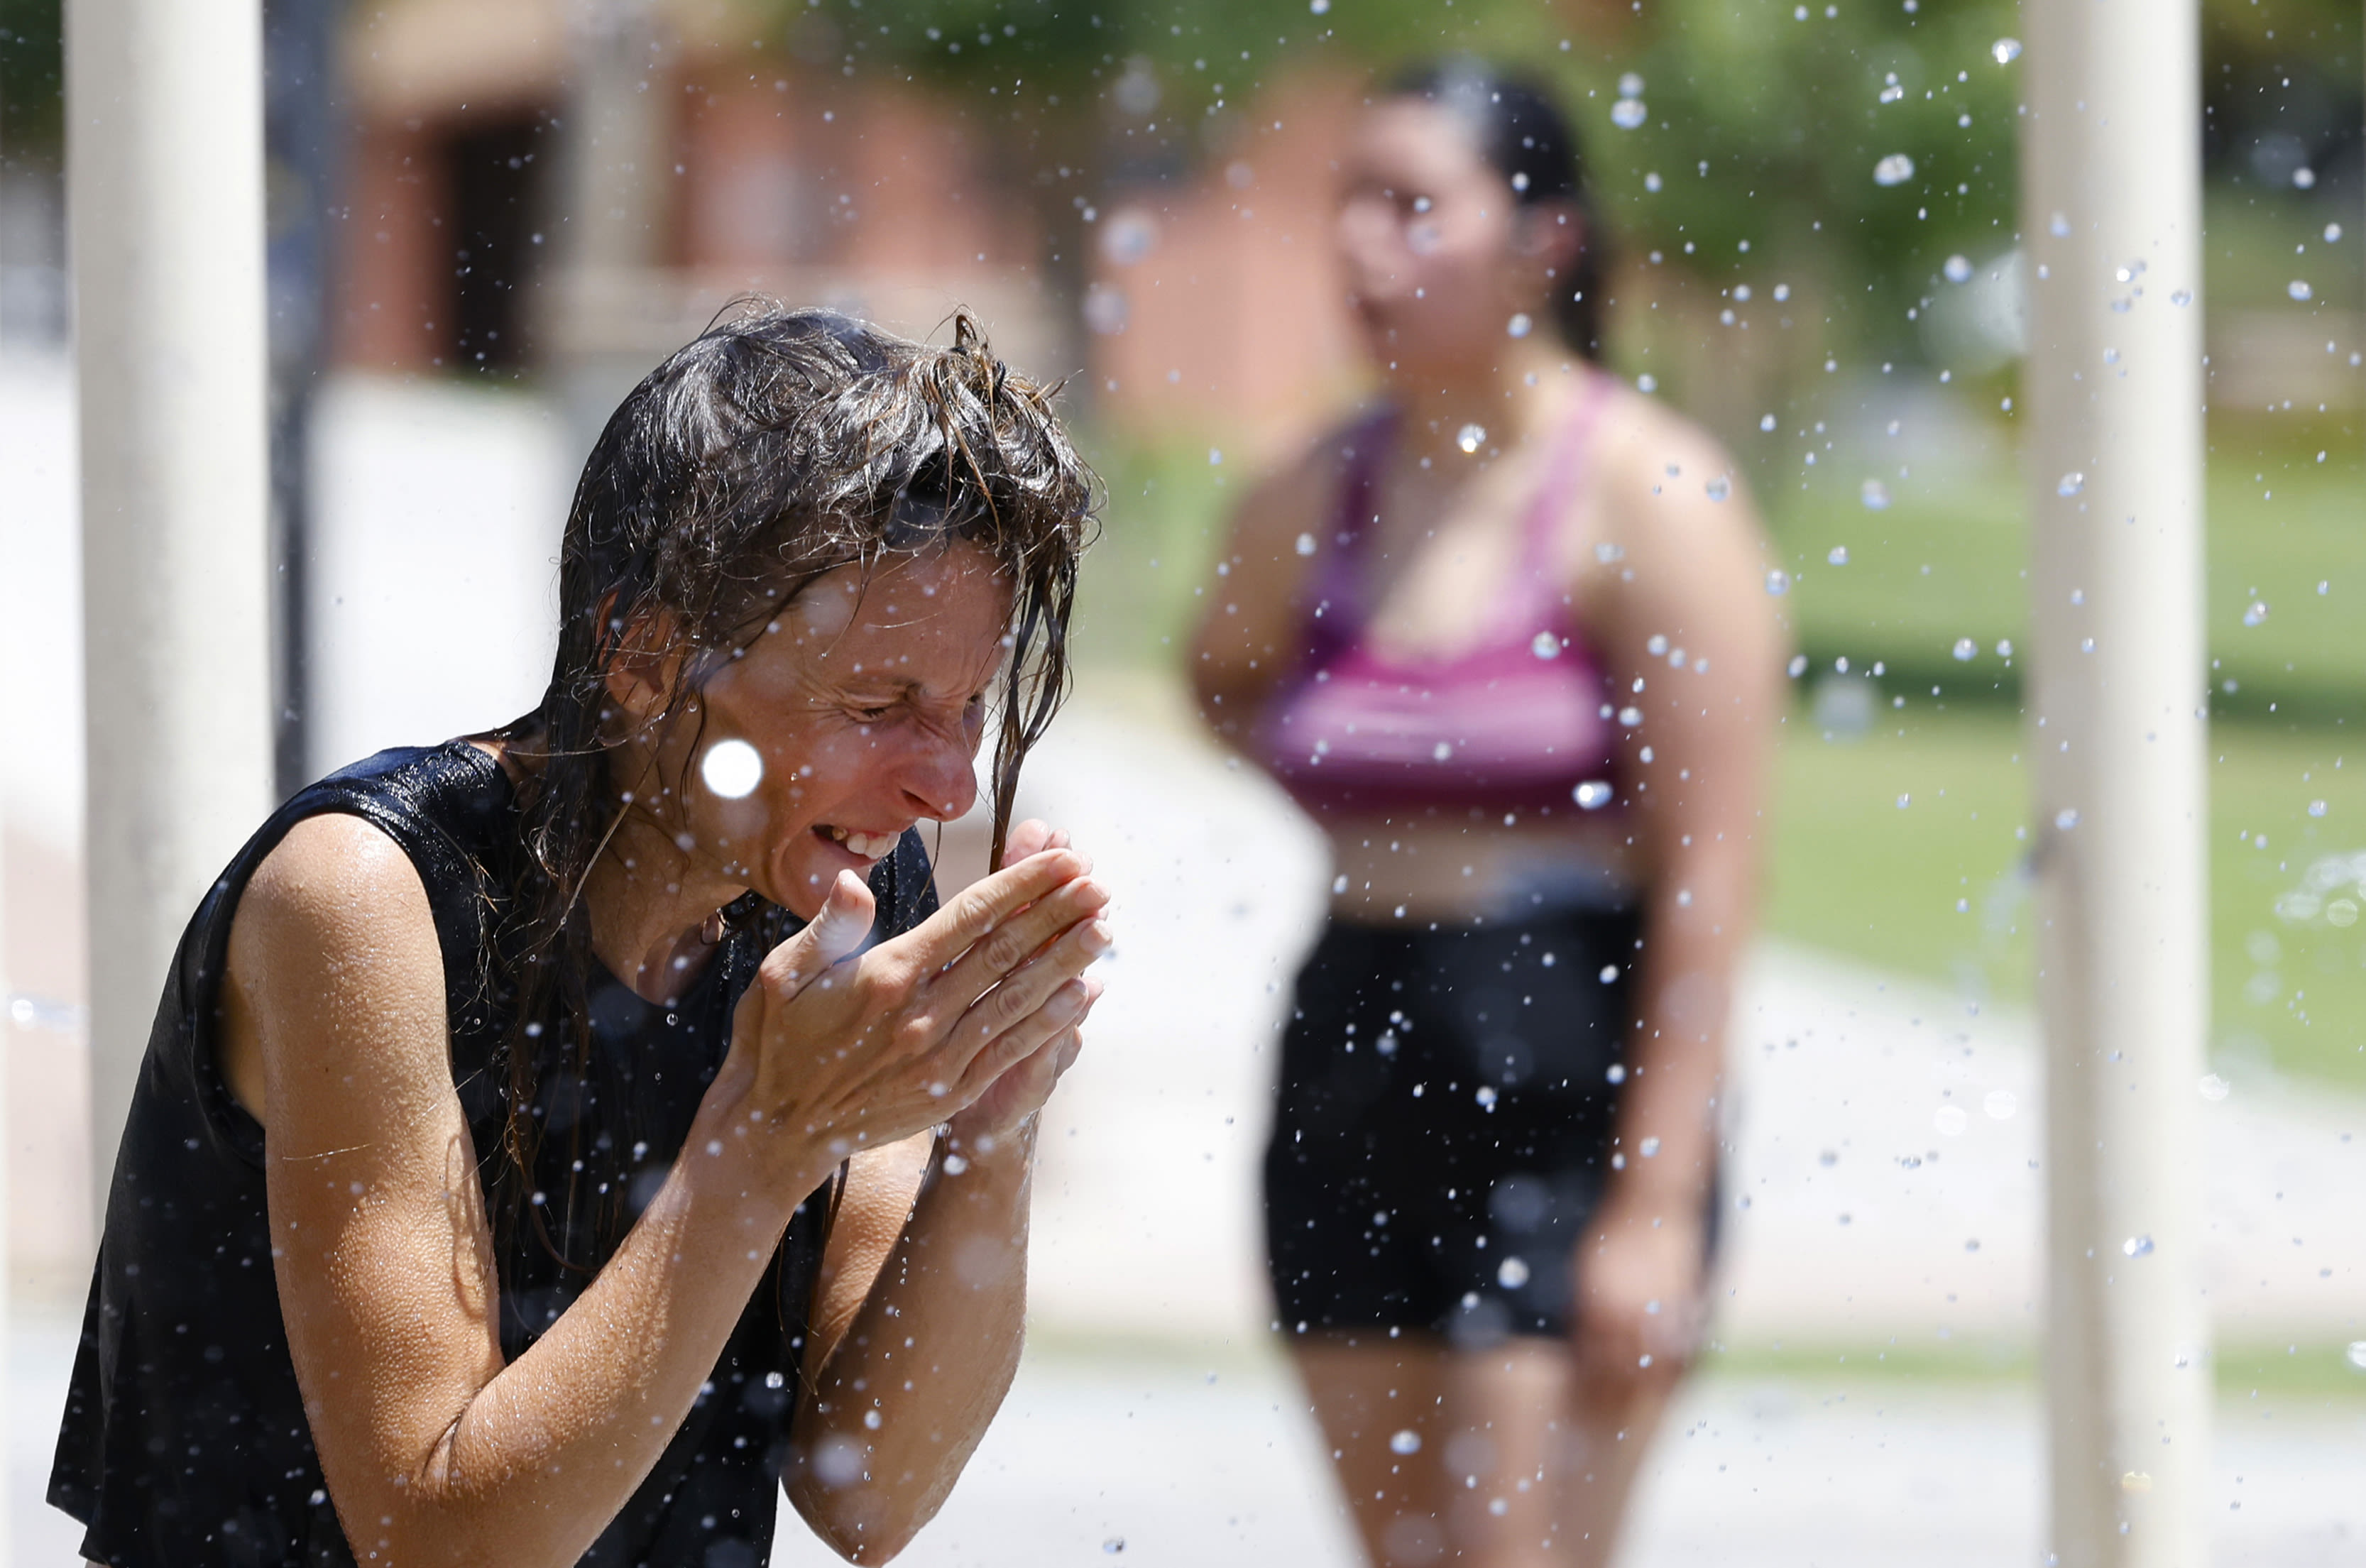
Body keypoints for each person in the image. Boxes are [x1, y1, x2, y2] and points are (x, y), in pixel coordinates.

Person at [51, 307, 1110, 1568]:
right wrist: (763, 1141)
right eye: (879, 703)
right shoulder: (368, 899)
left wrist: (989, 1131)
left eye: (968, 704)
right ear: (645, 654)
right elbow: (437, 1542)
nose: (945, 781)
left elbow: (870, 1491)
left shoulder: (843, 890)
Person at [1192, 60, 1782, 1568]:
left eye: (1409, 206)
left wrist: (1651, 1203)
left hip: (1562, 1051)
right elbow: (1220, 675)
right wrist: (1376, 774)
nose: (1358, 249)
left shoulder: (1650, 497)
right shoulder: (1310, 488)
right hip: (1352, 1038)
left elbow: (1712, 873)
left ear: (1543, 242)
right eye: (1345, 205)